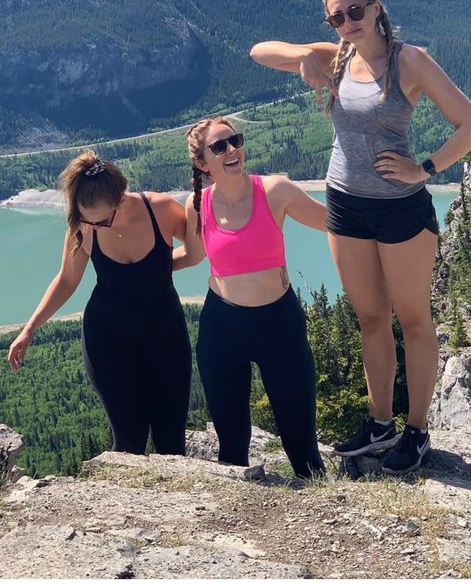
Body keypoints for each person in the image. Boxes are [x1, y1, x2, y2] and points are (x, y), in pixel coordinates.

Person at [248, 0, 471, 474]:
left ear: (377, 7)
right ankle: (380, 424)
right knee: (371, 319)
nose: (347, 23)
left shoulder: (410, 60)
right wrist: (307, 54)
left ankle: (416, 430)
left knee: (414, 319)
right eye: (336, 17)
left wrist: (425, 168)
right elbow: (258, 52)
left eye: (355, 11)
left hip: (401, 208)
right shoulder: (337, 55)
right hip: (344, 203)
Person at [7, 151, 193, 456]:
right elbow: (66, 281)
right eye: (86, 219)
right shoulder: (83, 226)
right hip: (107, 339)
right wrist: (29, 329)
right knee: (129, 439)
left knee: (171, 440)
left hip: (166, 335)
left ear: (121, 198)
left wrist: (156, 269)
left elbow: (197, 250)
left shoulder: (161, 209)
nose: (95, 227)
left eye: (102, 221)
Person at [183, 117, 330, 479]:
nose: (232, 150)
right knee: (231, 447)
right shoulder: (197, 204)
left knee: (302, 446)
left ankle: (323, 512)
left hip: (280, 326)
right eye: (219, 147)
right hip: (222, 329)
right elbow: (192, 255)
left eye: (235, 141)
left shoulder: (275, 190)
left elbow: (333, 220)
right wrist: (133, 269)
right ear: (203, 164)